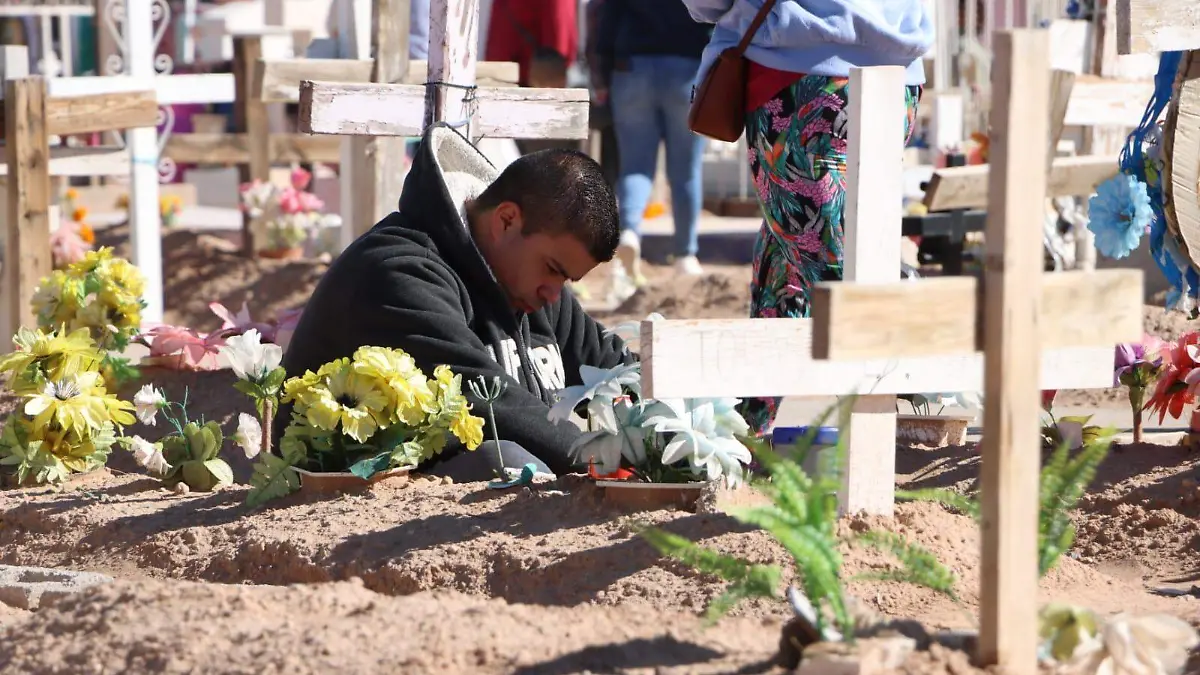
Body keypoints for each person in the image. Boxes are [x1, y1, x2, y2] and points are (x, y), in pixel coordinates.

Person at [275, 124, 632, 481]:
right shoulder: (397, 273)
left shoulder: (533, 286)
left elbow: (618, 374)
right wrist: (613, 461)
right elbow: (491, 405)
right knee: (505, 462)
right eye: (553, 269)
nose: (554, 293)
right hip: (343, 508)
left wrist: (658, 439)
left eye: (566, 279)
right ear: (506, 220)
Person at [681, 0, 934, 434]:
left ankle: (921, 361)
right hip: (899, 74)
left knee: (828, 266)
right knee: (792, 251)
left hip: (799, 71)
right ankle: (746, 428)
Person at [594, 0, 713, 282]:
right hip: (688, 65)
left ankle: (630, 232)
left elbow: (608, 14)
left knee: (634, 165)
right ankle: (685, 255)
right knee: (686, 171)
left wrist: (601, 71)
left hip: (632, 65)